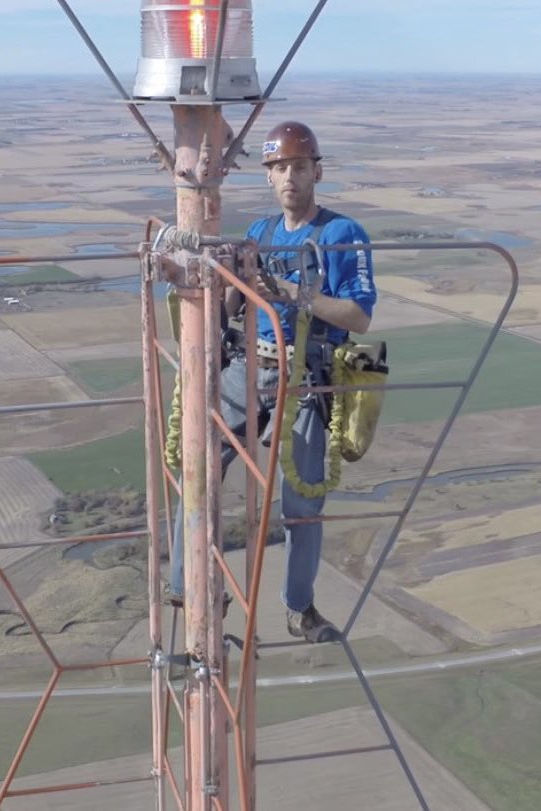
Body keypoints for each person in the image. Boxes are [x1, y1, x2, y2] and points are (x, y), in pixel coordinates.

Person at [168, 120, 376, 643]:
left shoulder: (341, 235)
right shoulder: (260, 234)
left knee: (302, 504)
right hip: (251, 367)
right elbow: (236, 307)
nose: (289, 177)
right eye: (280, 168)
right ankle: (186, 584)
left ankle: (298, 609)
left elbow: (357, 315)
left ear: (317, 172)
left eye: (299, 167)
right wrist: (226, 283)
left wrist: (288, 291)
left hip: (308, 377)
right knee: (199, 465)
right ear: (268, 177)